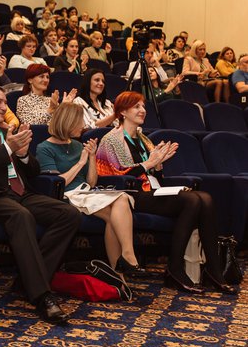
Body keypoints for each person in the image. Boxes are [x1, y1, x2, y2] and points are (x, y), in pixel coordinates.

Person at [0, 84, 80, 323]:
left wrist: (22, 154)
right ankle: (41, 295)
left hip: (22, 193)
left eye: (5, 103)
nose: (4, 107)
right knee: (21, 216)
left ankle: (26, 279)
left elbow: (33, 171)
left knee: (69, 214)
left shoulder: (8, 132)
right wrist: (8, 147)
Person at [96, 91, 237, 295]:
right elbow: (116, 176)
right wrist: (149, 164)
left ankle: (214, 271)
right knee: (192, 201)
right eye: (136, 106)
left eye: (143, 106)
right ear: (123, 112)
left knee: (204, 199)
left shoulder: (144, 139)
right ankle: (175, 269)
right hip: (129, 195)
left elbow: (154, 177)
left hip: (152, 191)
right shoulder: (111, 139)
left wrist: (158, 164)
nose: (142, 110)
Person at [36, 103, 142, 273]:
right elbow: (57, 182)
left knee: (118, 204)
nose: (83, 126)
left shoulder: (78, 146)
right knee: (117, 208)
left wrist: (91, 157)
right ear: (68, 122)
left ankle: (120, 267)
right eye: (79, 122)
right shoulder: (44, 148)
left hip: (87, 192)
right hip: (67, 195)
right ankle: (125, 261)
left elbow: (92, 182)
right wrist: (80, 163)